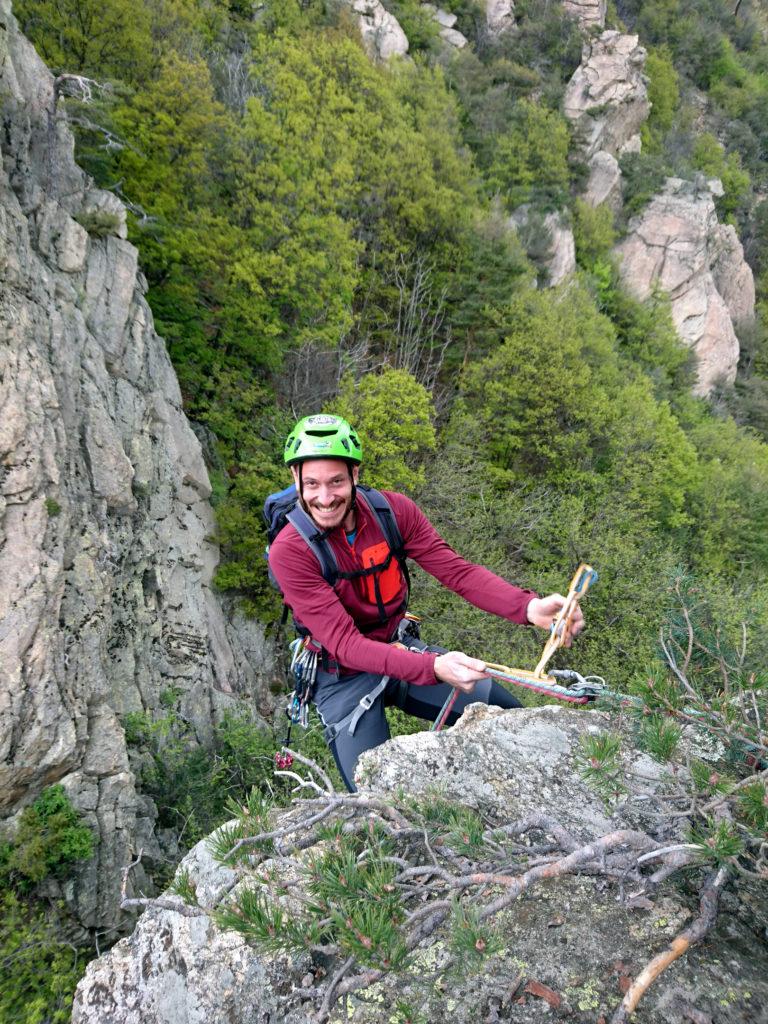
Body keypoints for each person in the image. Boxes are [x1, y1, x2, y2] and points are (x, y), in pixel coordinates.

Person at [269, 414, 584, 790]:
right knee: (378, 799)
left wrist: (528, 608)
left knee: (512, 720)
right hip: (341, 675)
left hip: (398, 645)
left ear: (355, 474)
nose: (324, 498)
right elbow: (346, 645)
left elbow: (457, 572)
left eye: (336, 481)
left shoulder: (393, 513)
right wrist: (434, 667)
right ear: (296, 481)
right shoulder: (291, 551)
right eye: (312, 484)